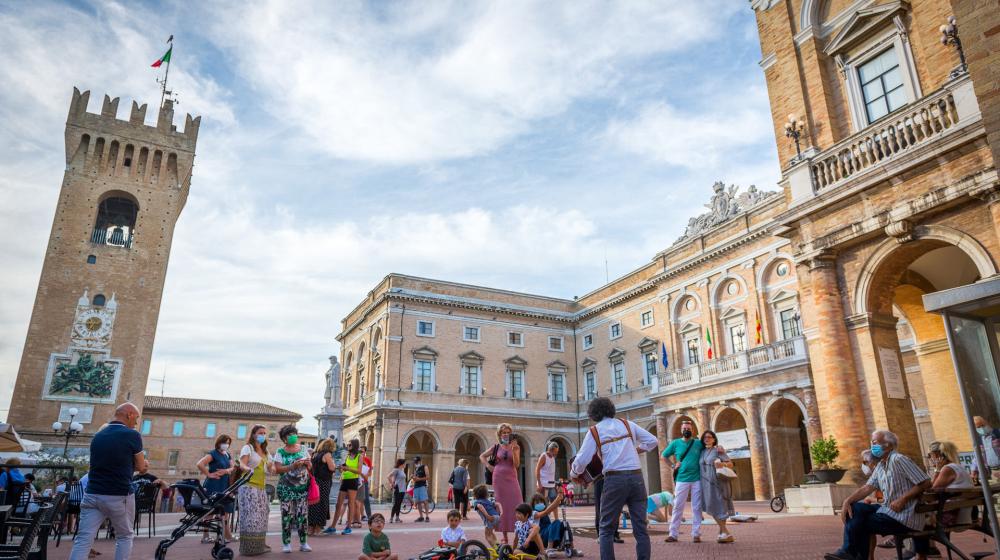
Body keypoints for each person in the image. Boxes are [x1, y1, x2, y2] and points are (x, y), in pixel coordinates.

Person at [571, 397, 658, 560]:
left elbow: (582, 460)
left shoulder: (595, 431)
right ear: (611, 409)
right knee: (640, 527)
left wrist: (574, 473)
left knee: (606, 528)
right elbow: (653, 441)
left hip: (614, 479)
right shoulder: (627, 424)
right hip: (636, 477)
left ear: (593, 414)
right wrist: (637, 450)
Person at [824, 430, 932, 560]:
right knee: (855, 508)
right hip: (887, 510)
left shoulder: (899, 460)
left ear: (889, 445)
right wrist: (847, 501)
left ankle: (853, 554)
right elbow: (868, 487)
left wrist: (903, 499)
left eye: (875, 443)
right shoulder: (881, 465)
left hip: (903, 515)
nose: (872, 446)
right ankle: (849, 552)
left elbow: (926, 482)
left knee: (860, 523)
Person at [68, 403, 144, 560]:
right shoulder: (132, 435)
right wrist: (142, 465)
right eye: (136, 418)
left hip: (92, 494)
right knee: (124, 536)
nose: (136, 423)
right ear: (129, 414)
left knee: (83, 539)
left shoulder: (98, 436)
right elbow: (142, 467)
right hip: (118, 494)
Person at [662, 419, 704, 543]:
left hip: (697, 479)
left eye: (689, 429)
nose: (686, 430)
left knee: (696, 507)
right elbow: (664, 456)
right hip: (681, 479)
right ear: (681, 430)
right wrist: (672, 465)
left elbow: (709, 447)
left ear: (693, 430)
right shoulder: (675, 443)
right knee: (677, 506)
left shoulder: (698, 443)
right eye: (684, 429)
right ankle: (673, 534)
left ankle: (696, 534)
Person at [273, 424, 312, 552]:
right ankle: (286, 544)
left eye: (294, 433)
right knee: (287, 515)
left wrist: (307, 464)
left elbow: (310, 466)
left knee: (302, 515)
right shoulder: (280, 452)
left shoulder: (303, 448)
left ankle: (303, 542)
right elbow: (278, 469)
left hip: (302, 488)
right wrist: (292, 466)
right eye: (289, 435)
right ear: (284, 438)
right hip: (286, 489)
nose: (293, 436)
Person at [480, 423, 522, 543]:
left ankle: (518, 533)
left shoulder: (516, 447)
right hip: (498, 478)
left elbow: (517, 464)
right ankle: (504, 535)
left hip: (512, 477)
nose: (506, 434)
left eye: (508, 432)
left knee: (516, 503)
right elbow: (482, 456)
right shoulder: (496, 447)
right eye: (504, 432)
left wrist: (514, 450)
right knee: (502, 505)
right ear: (499, 434)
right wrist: (488, 466)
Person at [238, 424, 272, 556]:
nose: (263, 435)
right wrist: (247, 469)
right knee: (250, 518)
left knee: (262, 517)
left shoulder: (266, 452)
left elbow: (271, 468)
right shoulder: (248, 448)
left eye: (264, 433)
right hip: (248, 487)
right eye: (260, 432)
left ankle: (259, 545)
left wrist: (273, 468)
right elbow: (242, 464)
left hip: (261, 488)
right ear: (253, 434)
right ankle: (248, 548)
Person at [197, 434, 236, 543]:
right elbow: (200, 464)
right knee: (210, 512)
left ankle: (226, 535)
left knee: (226, 510)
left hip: (225, 485)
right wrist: (208, 474)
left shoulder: (227, 455)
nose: (226, 445)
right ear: (219, 443)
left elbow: (233, 467)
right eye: (225, 442)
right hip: (214, 485)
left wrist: (226, 471)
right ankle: (206, 536)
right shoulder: (213, 454)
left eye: (228, 443)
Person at [699, 430, 735, 543]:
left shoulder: (718, 450)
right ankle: (723, 533)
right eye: (705, 437)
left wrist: (722, 464)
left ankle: (725, 532)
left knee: (720, 506)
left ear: (714, 439)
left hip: (718, 483)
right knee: (711, 506)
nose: (707, 439)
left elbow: (730, 464)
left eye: (709, 437)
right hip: (705, 484)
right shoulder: (702, 452)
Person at [928, 441, 974, 526]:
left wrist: (937, 470)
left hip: (953, 516)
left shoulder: (948, 469)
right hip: (963, 512)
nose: (930, 459)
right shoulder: (958, 467)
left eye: (929, 455)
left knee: (915, 522)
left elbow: (932, 491)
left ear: (937, 455)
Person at [329, 438, 363, 534]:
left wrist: (347, 468)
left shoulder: (359, 456)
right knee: (338, 504)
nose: (348, 447)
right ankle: (333, 526)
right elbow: (345, 468)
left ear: (355, 446)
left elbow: (359, 471)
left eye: (350, 445)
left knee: (351, 503)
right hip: (344, 480)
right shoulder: (347, 456)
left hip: (353, 481)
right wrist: (341, 469)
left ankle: (348, 527)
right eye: (348, 445)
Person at [308, 438, 337, 536]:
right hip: (324, 482)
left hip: (315, 482)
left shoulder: (315, 455)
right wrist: (335, 464)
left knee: (313, 504)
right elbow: (331, 468)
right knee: (322, 504)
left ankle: (310, 529)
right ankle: (318, 529)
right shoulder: (327, 454)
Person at [972, 416, 1000, 483]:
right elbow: (977, 456)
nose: (981, 428)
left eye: (982, 425)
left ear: (986, 423)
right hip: (993, 471)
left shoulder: (998, 433)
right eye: (978, 427)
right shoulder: (978, 440)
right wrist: (974, 470)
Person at [535, 442, 560, 507]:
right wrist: (539, 483)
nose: (556, 453)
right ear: (550, 450)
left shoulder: (553, 458)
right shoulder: (543, 456)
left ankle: (556, 517)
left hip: (551, 485)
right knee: (542, 504)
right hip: (543, 484)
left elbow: (552, 472)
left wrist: (555, 483)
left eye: (557, 451)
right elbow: (537, 470)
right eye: (555, 451)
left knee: (554, 503)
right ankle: (542, 516)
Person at [411, 455, 432, 523]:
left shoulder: (424, 466)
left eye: (417, 462)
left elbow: (428, 476)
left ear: (420, 461)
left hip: (422, 486)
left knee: (425, 501)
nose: (416, 463)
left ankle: (427, 516)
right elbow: (415, 478)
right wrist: (413, 477)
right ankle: (421, 516)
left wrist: (419, 479)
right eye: (415, 462)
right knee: (418, 502)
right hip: (416, 486)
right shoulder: (416, 469)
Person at [387, 458, 407, 523]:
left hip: (403, 489)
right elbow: (389, 476)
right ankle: (391, 518)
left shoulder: (402, 470)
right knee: (396, 503)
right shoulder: (396, 470)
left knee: (399, 504)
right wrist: (392, 484)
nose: (405, 464)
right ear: (401, 464)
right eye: (404, 463)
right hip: (398, 488)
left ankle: (397, 518)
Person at [358, 445, 373, 522]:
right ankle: (362, 516)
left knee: (366, 499)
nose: (361, 452)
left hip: (365, 481)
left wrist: (366, 477)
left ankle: (369, 516)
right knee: (358, 500)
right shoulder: (356, 459)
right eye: (359, 451)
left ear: (365, 452)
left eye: (362, 451)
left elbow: (370, 471)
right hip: (357, 481)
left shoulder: (367, 460)